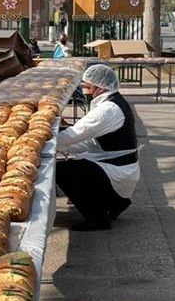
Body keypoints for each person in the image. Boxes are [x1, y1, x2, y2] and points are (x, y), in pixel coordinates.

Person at [56, 65, 140, 231]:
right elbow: (90, 142)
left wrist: (45, 142)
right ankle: (114, 204)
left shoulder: (108, 109)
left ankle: (98, 219)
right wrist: (56, 146)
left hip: (117, 170)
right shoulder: (112, 102)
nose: (85, 91)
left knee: (64, 171)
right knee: (75, 164)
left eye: (87, 87)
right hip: (118, 165)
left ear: (100, 87)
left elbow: (76, 133)